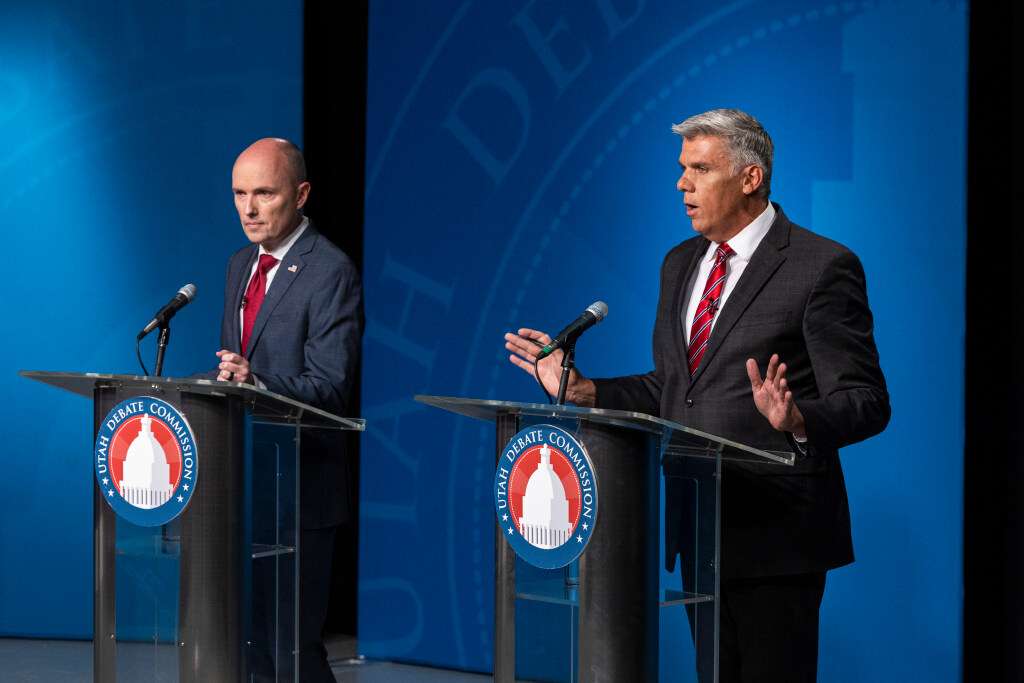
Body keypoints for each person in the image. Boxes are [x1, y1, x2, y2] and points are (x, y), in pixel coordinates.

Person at [505, 109, 889, 682]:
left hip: (779, 534)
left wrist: (798, 416)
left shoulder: (820, 266)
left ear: (750, 178)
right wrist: (584, 390)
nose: (682, 184)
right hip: (698, 525)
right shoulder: (680, 264)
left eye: (700, 169)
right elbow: (673, 389)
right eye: (683, 169)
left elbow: (866, 400)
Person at [216, 138, 363, 682]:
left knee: (292, 650)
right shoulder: (238, 266)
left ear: (300, 195)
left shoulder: (330, 271)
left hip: (301, 491)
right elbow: (237, 366)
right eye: (239, 194)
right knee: (247, 642)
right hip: (245, 487)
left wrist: (256, 379)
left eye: (263, 194)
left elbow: (331, 387)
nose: (248, 209)